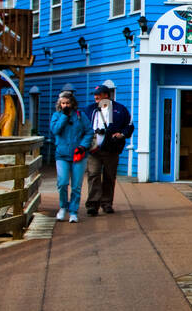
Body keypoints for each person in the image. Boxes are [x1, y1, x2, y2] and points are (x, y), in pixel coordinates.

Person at [84, 84, 135, 215]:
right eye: (95, 95)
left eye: (99, 94)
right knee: (93, 175)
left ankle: (106, 203)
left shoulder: (119, 109)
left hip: (111, 148)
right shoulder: (90, 109)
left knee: (109, 176)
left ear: (106, 95)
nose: (96, 97)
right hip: (94, 149)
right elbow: (82, 126)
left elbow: (129, 126)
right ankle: (92, 205)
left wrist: (122, 134)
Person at [49, 89, 93, 223]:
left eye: (67, 103)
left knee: (76, 186)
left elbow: (89, 132)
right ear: (59, 104)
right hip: (62, 155)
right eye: (62, 103)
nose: (65, 105)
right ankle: (63, 207)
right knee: (62, 183)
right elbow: (55, 130)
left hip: (78, 155)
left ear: (72, 103)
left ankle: (73, 211)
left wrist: (83, 146)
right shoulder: (56, 115)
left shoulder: (80, 116)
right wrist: (64, 116)